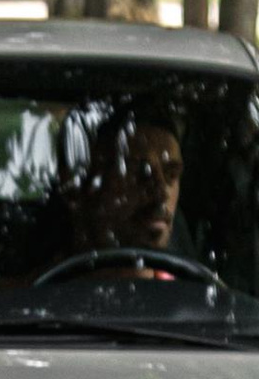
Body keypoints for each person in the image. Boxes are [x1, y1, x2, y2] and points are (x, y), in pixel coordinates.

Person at [38, 108, 188, 269]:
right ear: (75, 188)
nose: (162, 192)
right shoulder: (29, 293)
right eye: (139, 173)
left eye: (172, 174)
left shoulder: (195, 289)